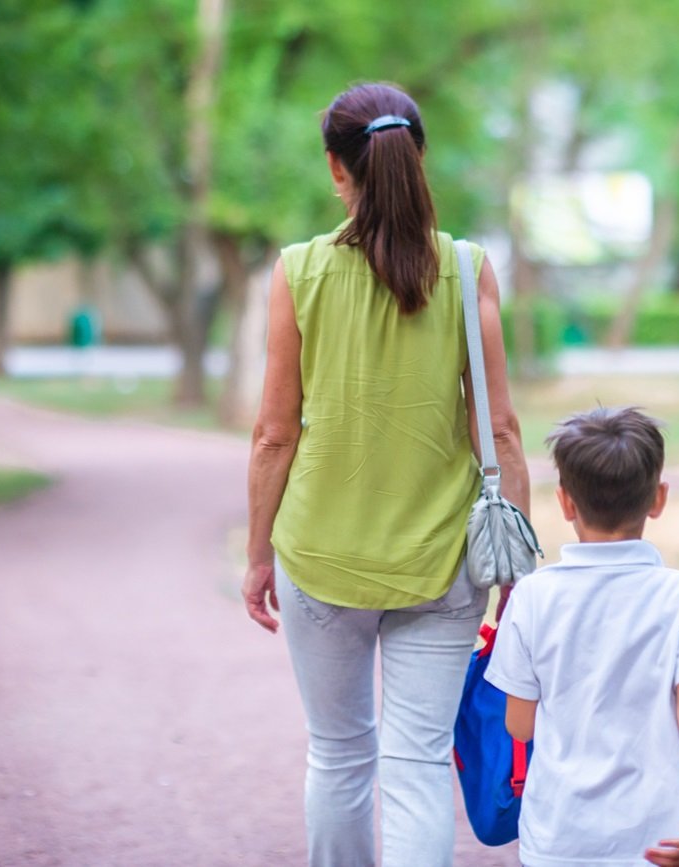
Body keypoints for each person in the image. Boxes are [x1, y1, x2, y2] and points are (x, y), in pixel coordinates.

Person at [241, 82, 530, 867]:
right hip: (442, 562)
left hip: (322, 557)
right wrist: (519, 564)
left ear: (338, 169)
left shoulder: (298, 271)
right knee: (415, 764)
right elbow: (498, 426)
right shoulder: (467, 271)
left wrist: (258, 554)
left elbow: (273, 434)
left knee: (338, 755)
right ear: (418, 155)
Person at [486, 407, 679, 867]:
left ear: (565, 503)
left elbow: (520, 725)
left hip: (562, 836)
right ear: (658, 499)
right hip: (668, 834)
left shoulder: (533, 596)